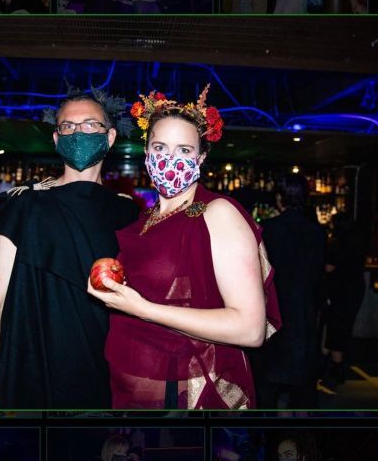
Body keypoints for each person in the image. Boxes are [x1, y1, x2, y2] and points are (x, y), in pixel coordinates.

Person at [88, 86, 281, 409]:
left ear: (201, 158)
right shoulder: (147, 217)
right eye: (160, 147)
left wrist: (142, 309)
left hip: (184, 393)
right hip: (129, 387)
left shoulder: (218, 212)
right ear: (146, 154)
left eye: (184, 150)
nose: (170, 159)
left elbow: (250, 329)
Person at [0, 87, 139, 409]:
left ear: (110, 137)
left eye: (90, 125)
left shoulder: (127, 213)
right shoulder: (23, 205)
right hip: (28, 371)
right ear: (56, 138)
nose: (78, 133)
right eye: (68, 126)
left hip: (104, 376)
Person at [248, 174, 326, 409]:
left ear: (279, 198)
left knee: (266, 393)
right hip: (303, 316)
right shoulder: (316, 233)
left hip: (272, 316)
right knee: (303, 394)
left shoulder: (266, 230)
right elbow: (318, 278)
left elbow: (256, 276)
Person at [318, 213, 367, 394]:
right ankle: (337, 366)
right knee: (344, 326)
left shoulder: (338, 244)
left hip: (339, 291)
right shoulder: (357, 243)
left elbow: (328, 267)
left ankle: (335, 368)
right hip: (355, 290)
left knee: (335, 327)